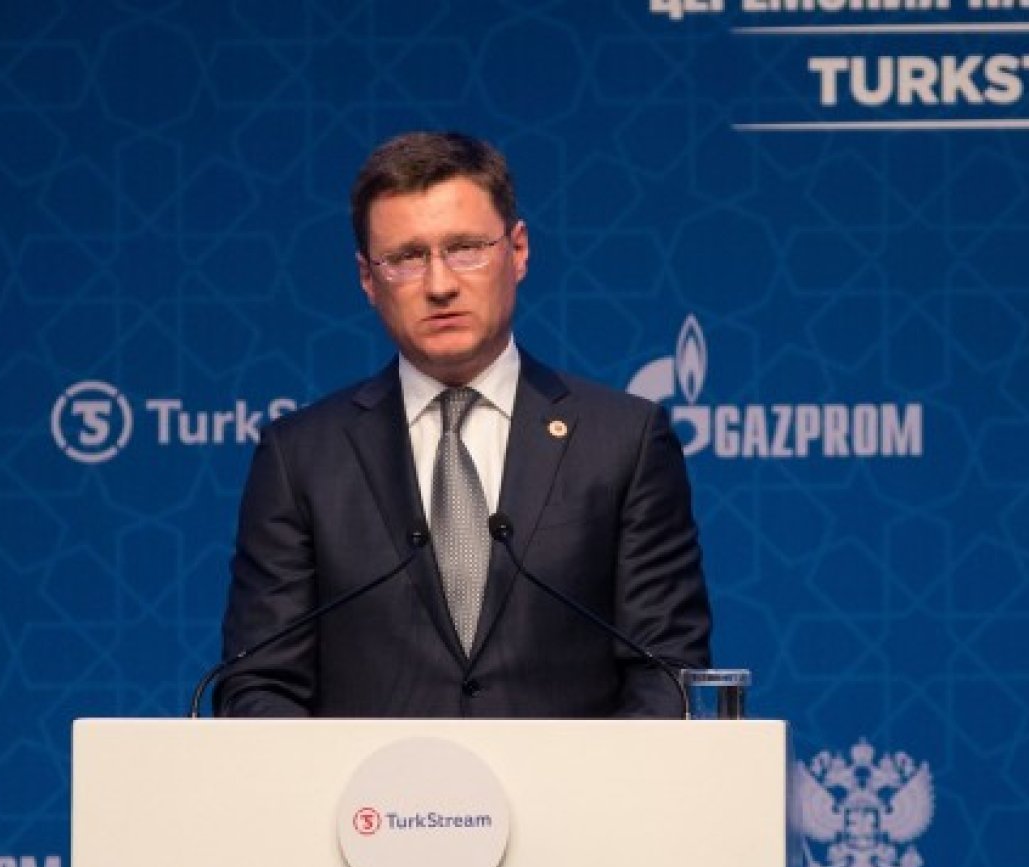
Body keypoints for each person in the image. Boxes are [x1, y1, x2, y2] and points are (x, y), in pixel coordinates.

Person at [214, 131, 711, 717]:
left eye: (466, 248)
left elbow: (665, 672)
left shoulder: (623, 442)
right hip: (368, 781)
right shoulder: (301, 457)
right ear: (368, 279)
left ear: (518, 251)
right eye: (406, 258)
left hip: (570, 781)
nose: (440, 284)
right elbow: (259, 684)